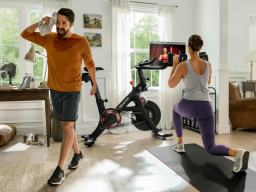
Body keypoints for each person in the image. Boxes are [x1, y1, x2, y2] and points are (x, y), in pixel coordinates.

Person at [21, 8, 97, 185]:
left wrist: (94, 83)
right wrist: (41, 22)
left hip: (72, 90)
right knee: (66, 127)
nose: (60, 26)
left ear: (71, 24)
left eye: (64, 23)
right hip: (54, 90)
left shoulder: (81, 41)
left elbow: (90, 64)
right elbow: (25, 33)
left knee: (67, 127)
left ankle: (60, 169)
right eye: (58, 23)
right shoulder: (49, 39)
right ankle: (78, 154)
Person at [168, 34, 250, 173]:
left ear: (188, 48)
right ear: (201, 47)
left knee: (175, 109)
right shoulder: (208, 64)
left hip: (189, 105)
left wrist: (175, 64)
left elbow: (171, 84)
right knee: (210, 147)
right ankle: (237, 152)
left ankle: (180, 143)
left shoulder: (183, 65)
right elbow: (208, 82)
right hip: (206, 106)